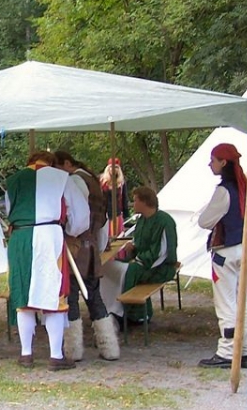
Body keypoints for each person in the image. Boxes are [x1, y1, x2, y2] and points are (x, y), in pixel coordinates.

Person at [5, 150, 89, 371]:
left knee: (23, 294)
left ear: (29, 162)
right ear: (50, 164)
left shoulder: (13, 181)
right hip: (49, 236)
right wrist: (69, 231)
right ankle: (55, 355)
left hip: (20, 238)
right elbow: (80, 216)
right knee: (54, 293)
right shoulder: (61, 178)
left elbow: (9, 209)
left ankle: (26, 354)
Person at [54, 150, 119, 361]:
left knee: (72, 297)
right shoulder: (91, 180)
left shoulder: (75, 181)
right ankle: (109, 348)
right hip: (90, 246)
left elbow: (78, 219)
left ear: (65, 164)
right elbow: (101, 221)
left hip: (77, 247)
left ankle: (73, 351)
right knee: (94, 297)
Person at [197, 143, 247, 369]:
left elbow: (204, 221)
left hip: (226, 252)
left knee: (227, 303)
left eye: (213, 160)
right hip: (243, 247)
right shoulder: (245, 187)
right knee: (244, 301)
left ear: (223, 162)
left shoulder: (224, 191)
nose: (210, 164)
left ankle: (228, 351)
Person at [102, 186, 178, 328]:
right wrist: (134, 248)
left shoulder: (165, 221)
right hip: (144, 264)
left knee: (127, 272)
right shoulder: (142, 220)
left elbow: (164, 253)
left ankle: (123, 314)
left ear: (145, 202)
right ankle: (110, 309)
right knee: (106, 269)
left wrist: (139, 261)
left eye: (136, 200)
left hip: (160, 268)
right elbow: (140, 243)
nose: (133, 203)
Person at [100, 157, 129, 238]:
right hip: (105, 214)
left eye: (116, 167)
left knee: (117, 236)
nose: (113, 169)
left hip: (117, 213)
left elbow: (124, 198)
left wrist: (126, 214)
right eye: (111, 167)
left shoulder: (121, 183)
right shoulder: (102, 182)